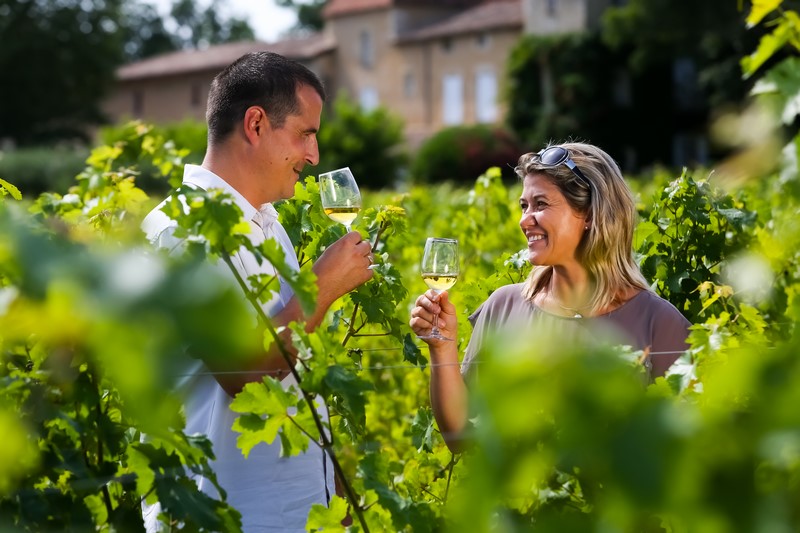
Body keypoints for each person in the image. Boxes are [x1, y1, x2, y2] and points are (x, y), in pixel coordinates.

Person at [141, 51, 374, 531]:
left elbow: (296, 369)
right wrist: (321, 285)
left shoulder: (268, 225)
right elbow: (242, 372)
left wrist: (330, 493)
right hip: (231, 514)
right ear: (255, 124)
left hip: (294, 511)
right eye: (306, 133)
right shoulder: (182, 230)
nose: (314, 156)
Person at [409, 142, 691, 453]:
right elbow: (462, 438)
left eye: (540, 204)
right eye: (523, 205)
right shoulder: (504, 306)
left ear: (589, 213)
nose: (524, 220)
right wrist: (442, 347)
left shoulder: (659, 323)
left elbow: (682, 457)